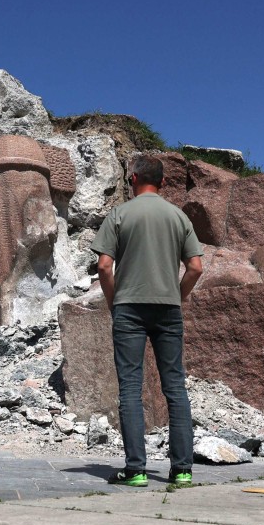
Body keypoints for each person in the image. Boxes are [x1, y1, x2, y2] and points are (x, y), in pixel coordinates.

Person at [91, 154, 204, 487]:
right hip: (168, 308)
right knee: (175, 387)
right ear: (164, 182)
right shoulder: (178, 216)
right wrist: (178, 295)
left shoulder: (120, 214)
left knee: (130, 387)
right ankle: (182, 469)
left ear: (134, 179)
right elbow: (196, 267)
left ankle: (136, 469)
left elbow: (103, 266)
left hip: (129, 307)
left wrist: (114, 301)